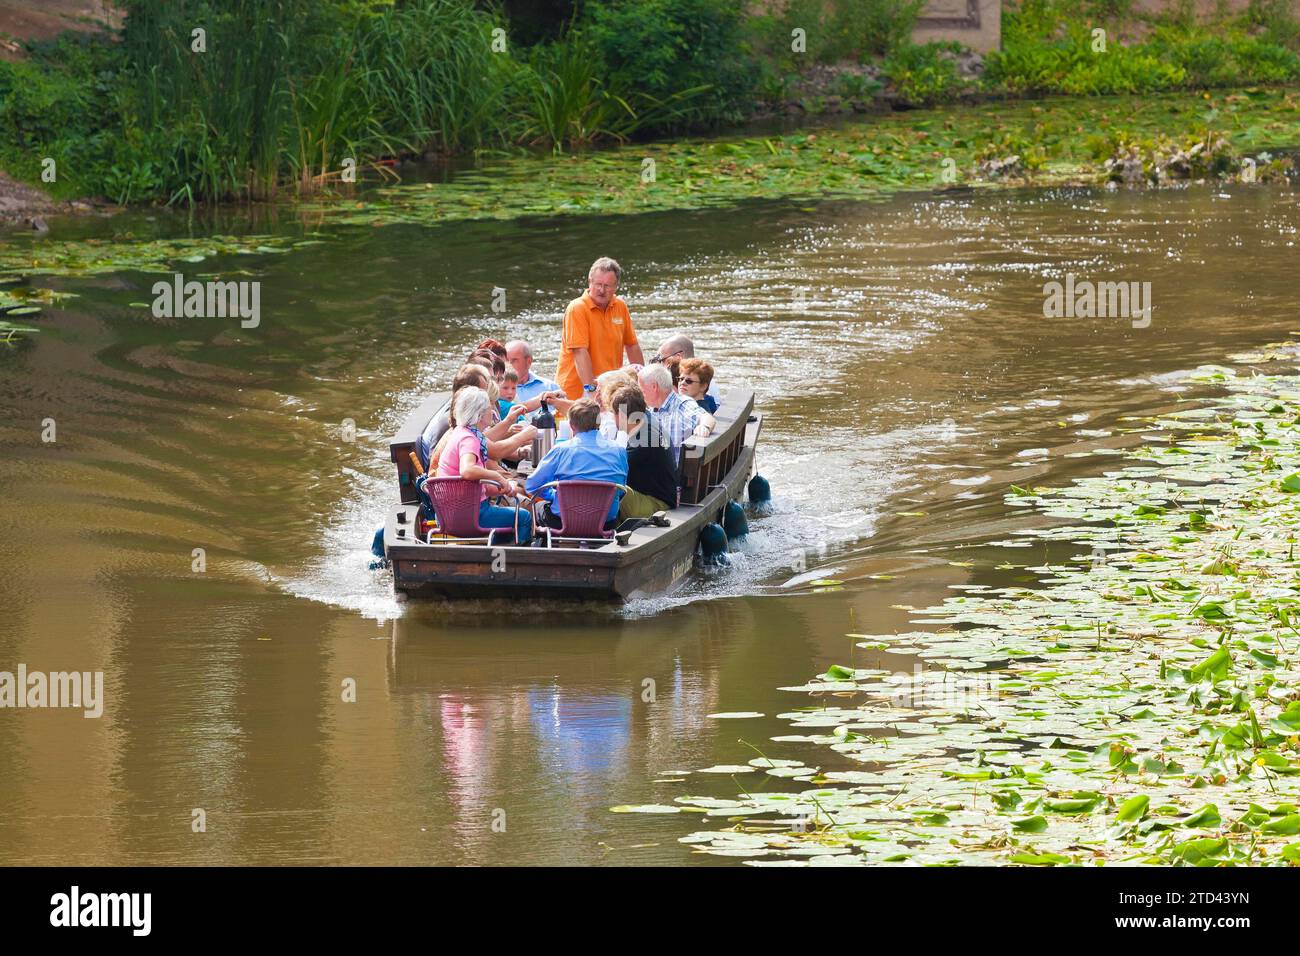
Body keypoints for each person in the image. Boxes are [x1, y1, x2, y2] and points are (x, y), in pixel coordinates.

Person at [435, 386, 532, 543]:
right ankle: (516, 562)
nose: (492, 410)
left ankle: (494, 557)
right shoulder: (469, 439)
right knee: (524, 517)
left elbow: (474, 486)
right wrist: (497, 476)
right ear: (479, 414)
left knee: (511, 515)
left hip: (448, 515)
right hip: (469, 516)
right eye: (489, 407)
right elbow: (467, 470)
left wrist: (504, 488)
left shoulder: (460, 432)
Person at [525, 397, 627, 527]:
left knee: (535, 506)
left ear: (571, 425)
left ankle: (539, 544)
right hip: (605, 521)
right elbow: (621, 489)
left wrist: (555, 496)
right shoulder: (619, 450)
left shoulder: (560, 450)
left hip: (563, 521)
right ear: (599, 423)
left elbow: (532, 486)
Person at [555, 257, 644, 400]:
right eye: (598, 284)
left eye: (607, 286)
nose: (602, 290)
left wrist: (642, 381)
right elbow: (579, 352)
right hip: (576, 392)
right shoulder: (577, 308)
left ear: (616, 286)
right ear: (589, 282)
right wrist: (591, 390)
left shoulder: (620, 306)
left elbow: (632, 345)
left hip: (609, 388)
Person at [610, 385, 678, 520]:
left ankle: (602, 533)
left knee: (609, 486)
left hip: (657, 504)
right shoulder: (646, 419)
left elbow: (614, 469)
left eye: (613, 413)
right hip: (655, 495)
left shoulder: (642, 441)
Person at [637, 363, 714, 464]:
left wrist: (704, 427)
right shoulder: (650, 410)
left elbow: (706, 417)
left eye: (641, 389)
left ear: (654, 387)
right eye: (681, 379)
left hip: (673, 476)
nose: (639, 393)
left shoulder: (682, 404)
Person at [655, 333, 721, 409]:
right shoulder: (704, 377)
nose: (661, 364)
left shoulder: (697, 389)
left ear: (678, 356)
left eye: (663, 360)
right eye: (681, 379)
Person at [596, 368, 636, 444]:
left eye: (600, 392)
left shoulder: (624, 418)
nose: (596, 397)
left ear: (613, 392)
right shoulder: (605, 417)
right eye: (596, 391)